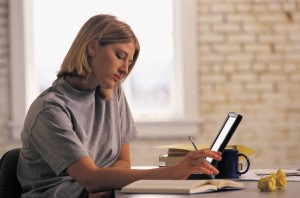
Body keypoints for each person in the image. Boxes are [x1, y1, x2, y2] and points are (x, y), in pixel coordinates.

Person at [17, 14, 222, 198]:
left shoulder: (112, 93)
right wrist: (173, 172)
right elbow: (90, 178)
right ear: (92, 47)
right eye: (120, 56)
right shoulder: (50, 109)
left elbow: (123, 162)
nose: (125, 69)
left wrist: (106, 185)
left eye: (130, 62)